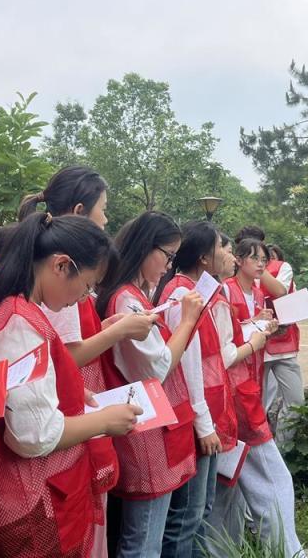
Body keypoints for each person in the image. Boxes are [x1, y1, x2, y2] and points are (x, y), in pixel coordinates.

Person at [0, 213, 143, 557]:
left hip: (39, 496)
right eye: (88, 285)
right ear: (61, 265)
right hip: (32, 502)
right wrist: (105, 421)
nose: (84, 296)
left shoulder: (16, 310)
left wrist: (74, 392)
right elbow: (33, 436)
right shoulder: (19, 322)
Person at [21, 166, 155, 557]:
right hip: (66, 424)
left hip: (75, 415)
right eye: (104, 209)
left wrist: (108, 325)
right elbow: (65, 354)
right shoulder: (59, 275)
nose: (107, 218)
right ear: (80, 210)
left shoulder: (59, 274)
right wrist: (117, 332)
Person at [95, 211, 204, 558]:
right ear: (145, 247)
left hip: (147, 428)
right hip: (143, 433)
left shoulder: (135, 295)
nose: (168, 265)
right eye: (167, 255)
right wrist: (187, 322)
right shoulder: (126, 299)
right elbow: (157, 367)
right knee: (143, 541)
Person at [210, 236, 305, 558]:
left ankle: (227, 546)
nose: (261, 263)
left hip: (247, 383)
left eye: (264, 258)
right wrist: (255, 331)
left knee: (231, 476)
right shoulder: (224, 292)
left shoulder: (256, 291)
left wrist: (261, 326)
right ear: (234, 258)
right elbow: (225, 344)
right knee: (267, 475)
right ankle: (285, 550)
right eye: (253, 257)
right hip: (237, 392)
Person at [154, 221, 237, 558]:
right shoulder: (181, 295)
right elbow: (186, 365)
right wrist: (203, 424)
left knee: (198, 511)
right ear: (204, 257)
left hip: (199, 415)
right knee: (187, 515)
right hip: (191, 419)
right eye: (224, 247)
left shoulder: (193, 291)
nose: (228, 254)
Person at [261, 243, 303, 437]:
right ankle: (256, 458)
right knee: (256, 406)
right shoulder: (234, 276)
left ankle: (280, 451)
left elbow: (280, 291)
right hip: (254, 347)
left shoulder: (282, 267)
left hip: (283, 342)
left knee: (295, 403)